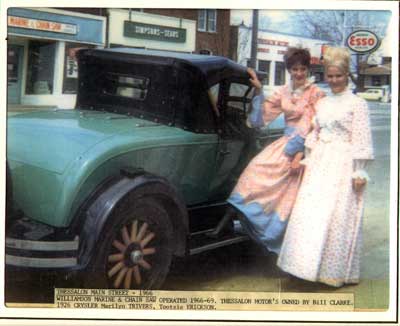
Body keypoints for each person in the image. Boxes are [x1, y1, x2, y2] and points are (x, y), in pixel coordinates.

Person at [277, 46, 374, 287]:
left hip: (342, 162)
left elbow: (361, 138)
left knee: (336, 214)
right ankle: (304, 266)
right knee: (311, 212)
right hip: (320, 161)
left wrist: (359, 170)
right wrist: (306, 156)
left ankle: (330, 271)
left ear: (346, 75)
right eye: (330, 76)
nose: (334, 80)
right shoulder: (322, 103)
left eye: (338, 76)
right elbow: (314, 133)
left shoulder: (357, 103)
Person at [211, 48, 325, 254]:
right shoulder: (283, 92)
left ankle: (294, 243)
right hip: (286, 143)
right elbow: (259, 119)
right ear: (288, 70)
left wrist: (298, 152)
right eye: (294, 69)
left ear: (308, 69)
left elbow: (312, 123)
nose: (299, 73)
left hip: (308, 146)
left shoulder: (316, 93)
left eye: (303, 69)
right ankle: (247, 223)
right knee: (254, 172)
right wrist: (258, 91)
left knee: (295, 194)